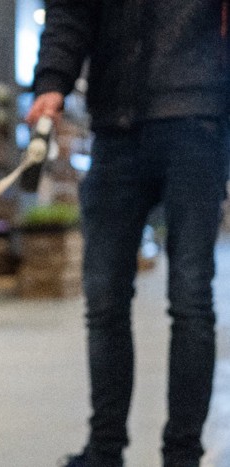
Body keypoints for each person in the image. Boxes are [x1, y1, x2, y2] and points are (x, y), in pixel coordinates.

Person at [25, 2, 230, 467]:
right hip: (115, 127)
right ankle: (104, 450)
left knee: (192, 298)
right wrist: (52, 83)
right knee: (104, 302)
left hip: (198, 118)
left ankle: (183, 456)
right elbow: (70, 11)